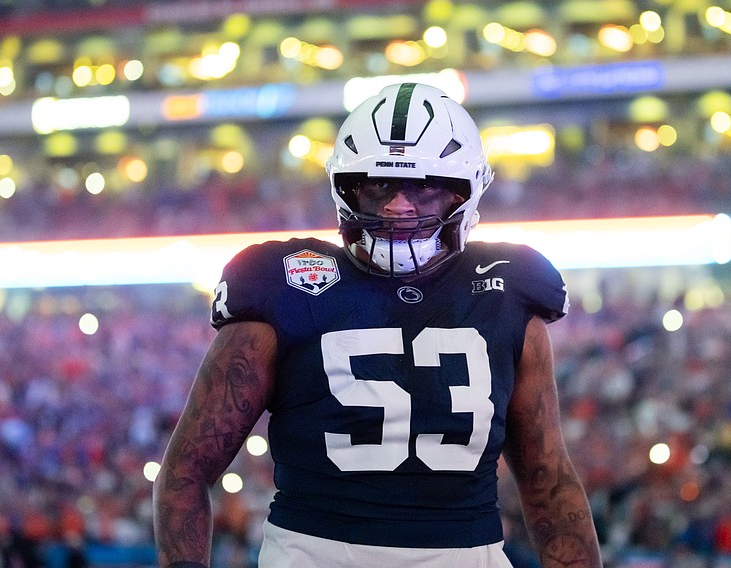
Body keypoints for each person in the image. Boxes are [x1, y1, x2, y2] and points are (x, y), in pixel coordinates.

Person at [153, 82, 602, 567]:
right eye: (379, 185)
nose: (398, 207)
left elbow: (549, 481)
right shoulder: (282, 283)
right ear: (348, 189)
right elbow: (186, 469)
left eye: (424, 186)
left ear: (465, 192)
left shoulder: (508, 289)